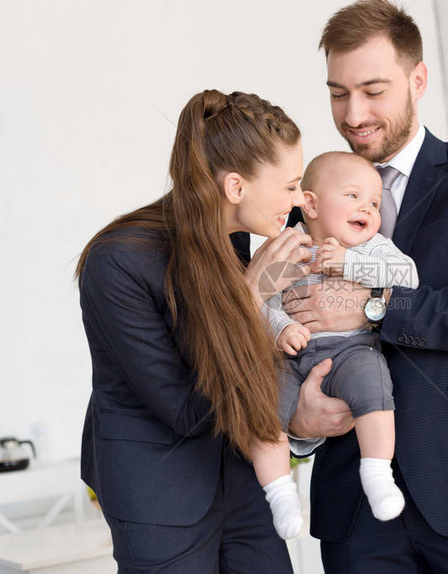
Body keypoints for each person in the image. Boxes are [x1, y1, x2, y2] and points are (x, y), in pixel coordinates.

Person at [283, 1, 448, 571]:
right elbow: (269, 326)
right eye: (338, 92)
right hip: (354, 510)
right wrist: (296, 425)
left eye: (373, 90)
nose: (353, 114)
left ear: (418, 79)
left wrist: (374, 307)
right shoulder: (303, 206)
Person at [75, 89, 327, 573]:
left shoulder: (234, 237)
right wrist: (249, 299)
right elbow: (186, 411)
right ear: (236, 187)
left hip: (243, 479)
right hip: (159, 494)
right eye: (291, 186)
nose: (299, 201)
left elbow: (254, 363)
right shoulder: (118, 261)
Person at [251, 151, 419, 539]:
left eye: (375, 202)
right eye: (353, 196)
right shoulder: (287, 248)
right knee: (264, 409)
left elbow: (408, 276)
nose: (368, 208)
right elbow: (260, 303)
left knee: (374, 384)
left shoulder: (374, 247)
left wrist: (349, 263)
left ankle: (377, 472)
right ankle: (280, 493)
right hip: (292, 358)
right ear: (309, 203)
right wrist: (279, 328)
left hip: (352, 351)